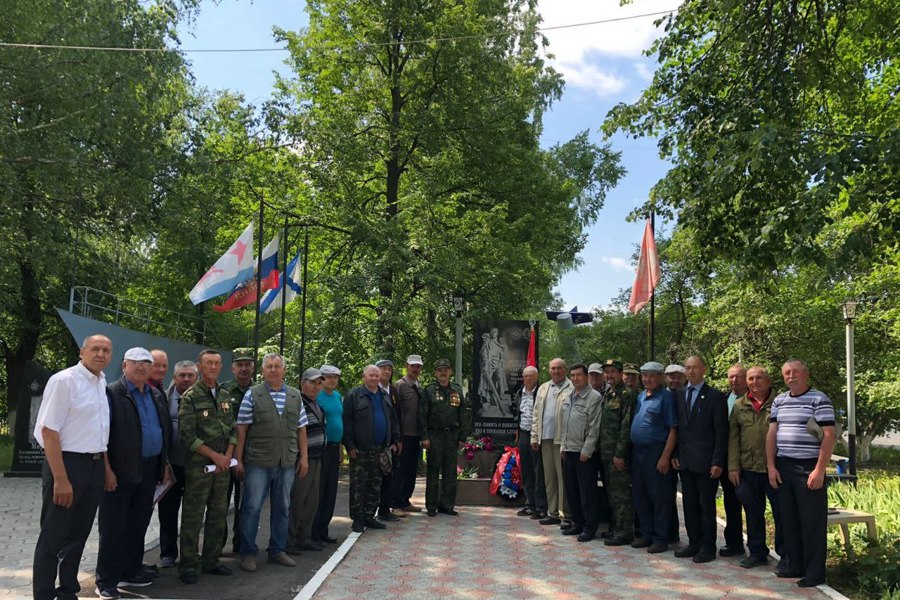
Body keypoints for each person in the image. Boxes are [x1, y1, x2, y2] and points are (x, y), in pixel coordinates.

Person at [32, 335, 113, 600]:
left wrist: (105, 469)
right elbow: (49, 431)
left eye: (106, 350)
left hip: (94, 466)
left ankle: (67, 590)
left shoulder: (100, 382)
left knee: (78, 534)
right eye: (95, 349)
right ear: (82, 352)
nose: (100, 354)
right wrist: (60, 478)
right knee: (53, 537)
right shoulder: (65, 380)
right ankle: (43, 594)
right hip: (66, 464)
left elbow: (97, 431)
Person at [95, 347, 172, 598]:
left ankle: (131, 570)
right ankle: (107, 579)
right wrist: (106, 470)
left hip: (149, 469)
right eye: (135, 363)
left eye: (145, 363)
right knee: (114, 525)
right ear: (124, 365)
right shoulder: (112, 393)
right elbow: (101, 435)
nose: (141, 367)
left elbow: (164, 431)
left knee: (138, 523)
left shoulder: (156, 394)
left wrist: (163, 465)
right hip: (120, 470)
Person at [235, 354, 308, 572]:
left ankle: (278, 549)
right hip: (258, 462)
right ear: (263, 371)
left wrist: (303, 457)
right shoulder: (252, 394)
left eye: (277, 367)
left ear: (284, 370)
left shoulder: (295, 396)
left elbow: (301, 428)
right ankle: (247, 553)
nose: (273, 370)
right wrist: (237, 459)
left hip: (286, 461)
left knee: (282, 507)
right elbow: (242, 428)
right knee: (251, 507)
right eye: (269, 367)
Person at [767, 360, 836, 588]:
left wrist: (819, 470)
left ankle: (814, 573)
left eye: (795, 371)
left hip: (808, 467)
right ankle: (793, 564)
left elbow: (828, 435)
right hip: (784, 466)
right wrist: (771, 466)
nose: (791, 376)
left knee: (812, 522)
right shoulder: (780, 400)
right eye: (787, 372)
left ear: (806, 374)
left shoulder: (819, 399)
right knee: (788, 519)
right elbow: (772, 434)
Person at [178, 349, 237, 584]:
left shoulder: (224, 394)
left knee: (218, 513)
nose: (213, 367)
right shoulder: (191, 396)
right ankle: (188, 565)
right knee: (193, 516)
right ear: (199, 367)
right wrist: (215, 456)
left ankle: (211, 560)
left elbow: (232, 429)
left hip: (222, 467)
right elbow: (187, 436)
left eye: (216, 363)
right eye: (208, 363)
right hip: (200, 467)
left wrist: (227, 457)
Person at [672, 356, 728, 563]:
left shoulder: (715, 396)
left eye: (695, 368)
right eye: (688, 368)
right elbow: (678, 429)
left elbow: (721, 432)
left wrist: (718, 461)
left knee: (706, 506)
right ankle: (693, 543)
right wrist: (675, 454)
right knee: (689, 505)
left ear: (704, 369)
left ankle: (707, 546)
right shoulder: (679, 395)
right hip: (685, 461)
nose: (691, 371)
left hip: (706, 463)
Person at [728, 365, 784, 569]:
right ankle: (757, 552)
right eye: (751, 379)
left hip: (774, 470)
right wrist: (733, 467)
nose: (754, 382)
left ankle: (785, 555)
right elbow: (733, 438)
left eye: (759, 378)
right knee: (753, 513)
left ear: (768, 381)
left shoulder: (780, 403)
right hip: (748, 469)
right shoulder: (739, 405)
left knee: (781, 514)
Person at [343, 365, 400, 532]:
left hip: (380, 449)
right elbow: (347, 421)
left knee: (375, 485)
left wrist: (395, 440)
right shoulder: (354, 395)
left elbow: (393, 419)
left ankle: (369, 516)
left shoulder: (384, 396)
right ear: (364, 377)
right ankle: (358, 519)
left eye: (377, 375)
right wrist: (349, 445)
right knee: (358, 486)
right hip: (360, 450)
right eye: (371, 375)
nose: (374, 378)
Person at [630, 361, 678, 554]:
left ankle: (661, 538)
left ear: (660, 377)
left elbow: (673, 429)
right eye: (644, 375)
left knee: (660, 497)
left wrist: (665, 456)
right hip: (638, 453)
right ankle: (647, 534)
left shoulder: (666, 398)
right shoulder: (641, 396)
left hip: (656, 452)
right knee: (641, 495)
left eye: (651, 375)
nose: (647, 379)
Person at [158, 360, 197, 568]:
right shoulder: (162, 397)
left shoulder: (203, 399)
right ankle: (168, 553)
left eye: (190, 375)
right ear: (174, 378)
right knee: (168, 511)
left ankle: (191, 553)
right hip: (170, 467)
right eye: (182, 375)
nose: (186, 379)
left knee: (193, 512)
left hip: (195, 466)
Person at [420, 359, 469, 517]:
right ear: (435, 372)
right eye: (440, 370)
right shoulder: (428, 391)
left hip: (452, 437)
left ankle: (447, 505)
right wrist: (425, 437)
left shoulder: (457, 390)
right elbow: (422, 416)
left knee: (450, 473)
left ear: (450, 372)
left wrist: (462, 437)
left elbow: (463, 414)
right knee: (433, 472)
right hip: (434, 436)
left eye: (446, 370)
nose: (443, 372)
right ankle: (432, 506)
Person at [559, 364, 603, 542]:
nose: (575, 378)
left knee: (587, 492)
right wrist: (563, 445)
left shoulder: (594, 397)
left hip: (584, 453)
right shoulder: (570, 395)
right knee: (572, 491)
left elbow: (595, 426)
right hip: (568, 450)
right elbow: (565, 424)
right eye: (573, 375)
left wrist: (587, 450)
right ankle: (577, 523)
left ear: (586, 377)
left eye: (578, 375)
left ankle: (589, 527)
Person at [530, 358, 573, 526]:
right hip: (545, 439)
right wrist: (534, 436)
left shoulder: (571, 388)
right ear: (549, 370)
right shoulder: (543, 388)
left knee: (563, 478)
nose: (556, 371)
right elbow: (535, 414)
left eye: (559, 368)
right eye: (553, 368)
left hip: (562, 440)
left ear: (565, 369)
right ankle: (552, 512)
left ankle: (565, 515)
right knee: (549, 478)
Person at [220, 348, 255, 554]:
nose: (243, 369)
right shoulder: (223, 391)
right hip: (225, 455)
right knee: (221, 503)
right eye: (240, 365)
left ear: (252, 368)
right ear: (233, 368)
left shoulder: (258, 392)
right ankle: (216, 547)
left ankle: (240, 544)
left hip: (250, 455)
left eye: (247, 365)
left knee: (245, 503)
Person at [287, 368, 325, 552]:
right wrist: (302, 457)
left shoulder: (317, 404)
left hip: (317, 458)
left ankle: (304, 537)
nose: (316, 387)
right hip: (302, 458)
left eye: (319, 383)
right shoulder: (297, 402)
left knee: (312, 501)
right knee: (297, 499)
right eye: (312, 382)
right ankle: (289, 540)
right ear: (303, 383)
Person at [599, 360, 637, 546]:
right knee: (611, 493)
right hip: (606, 453)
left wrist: (619, 454)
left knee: (621, 495)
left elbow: (625, 426)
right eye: (606, 372)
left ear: (621, 373)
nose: (609, 375)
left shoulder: (626, 395)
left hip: (617, 455)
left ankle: (624, 532)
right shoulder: (608, 392)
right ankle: (615, 527)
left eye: (613, 372)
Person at [312, 364, 344, 544]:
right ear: (321, 379)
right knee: (319, 490)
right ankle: (314, 531)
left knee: (331, 491)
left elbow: (338, 422)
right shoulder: (318, 397)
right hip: (321, 449)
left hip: (334, 448)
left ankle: (324, 529)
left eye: (335, 377)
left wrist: (340, 447)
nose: (332, 380)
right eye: (328, 377)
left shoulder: (338, 397)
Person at [719, 363, 748, 557]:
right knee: (731, 503)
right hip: (726, 459)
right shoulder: (723, 399)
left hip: (748, 461)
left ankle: (755, 546)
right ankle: (734, 542)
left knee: (751, 505)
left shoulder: (751, 400)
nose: (734, 380)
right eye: (731, 377)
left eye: (738, 376)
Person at [391, 355, 425, 514]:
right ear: (406, 366)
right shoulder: (399, 386)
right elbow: (395, 412)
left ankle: (405, 500)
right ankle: (396, 503)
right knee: (400, 470)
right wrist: (397, 437)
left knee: (412, 470)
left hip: (416, 435)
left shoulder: (419, 386)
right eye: (413, 366)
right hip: (404, 435)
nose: (415, 369)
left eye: (418, 366)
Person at [514, 365, 547, 519]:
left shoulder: (541, 393)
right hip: (523, 434)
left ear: (537, 377)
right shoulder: (519, 393)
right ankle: (529, 504)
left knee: (538, 471)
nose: (527, 379)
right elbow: (518, 413)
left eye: (531, 376)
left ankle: (541, 506)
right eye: (525, 376)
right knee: (526, 471)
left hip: (536, 436)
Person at [375, 359, 403, 522]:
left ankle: (385, 509)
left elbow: (396, 416)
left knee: (389, 475)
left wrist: (397, 439)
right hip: (375, 441)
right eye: (383, 369)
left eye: (389, 370)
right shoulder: (372, 390)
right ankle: (372, 510)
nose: (386, 372)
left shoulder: (393, 390)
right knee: (375, 478)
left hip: (390, 441)